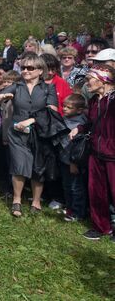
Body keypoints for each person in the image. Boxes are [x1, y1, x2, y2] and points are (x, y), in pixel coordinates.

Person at [0, 53, 59, 217]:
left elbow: (53, 110)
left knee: (38, 167)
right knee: (19, 166)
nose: (26, 71)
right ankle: (17, 200)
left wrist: (31, 120)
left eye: (30, 68)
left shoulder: (48, 88)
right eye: (23, 67)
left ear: (39, 70)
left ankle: (36, 202)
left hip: (40, 133)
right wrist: (2, 96)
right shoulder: (17, 86)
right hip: (17, 134)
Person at [69, 65, 115, 241]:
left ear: (103, 79)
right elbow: (91, 123)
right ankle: (100, 226)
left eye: (89, 79)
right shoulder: (95, 101)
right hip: (96, 152)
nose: (87, 83)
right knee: (96, 190)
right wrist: (79, 128)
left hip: (112, 154)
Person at [59, 94, 88, 222]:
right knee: (66, 185)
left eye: (68, 107)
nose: (64, 109)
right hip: (64, 158)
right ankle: (69, 207)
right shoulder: (65, 118)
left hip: (73, 161)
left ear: (79, 110)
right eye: (64, 106)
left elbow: (76, 146)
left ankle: (78, 212)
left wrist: (73, 163)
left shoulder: (79, 124)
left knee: (76, 187)